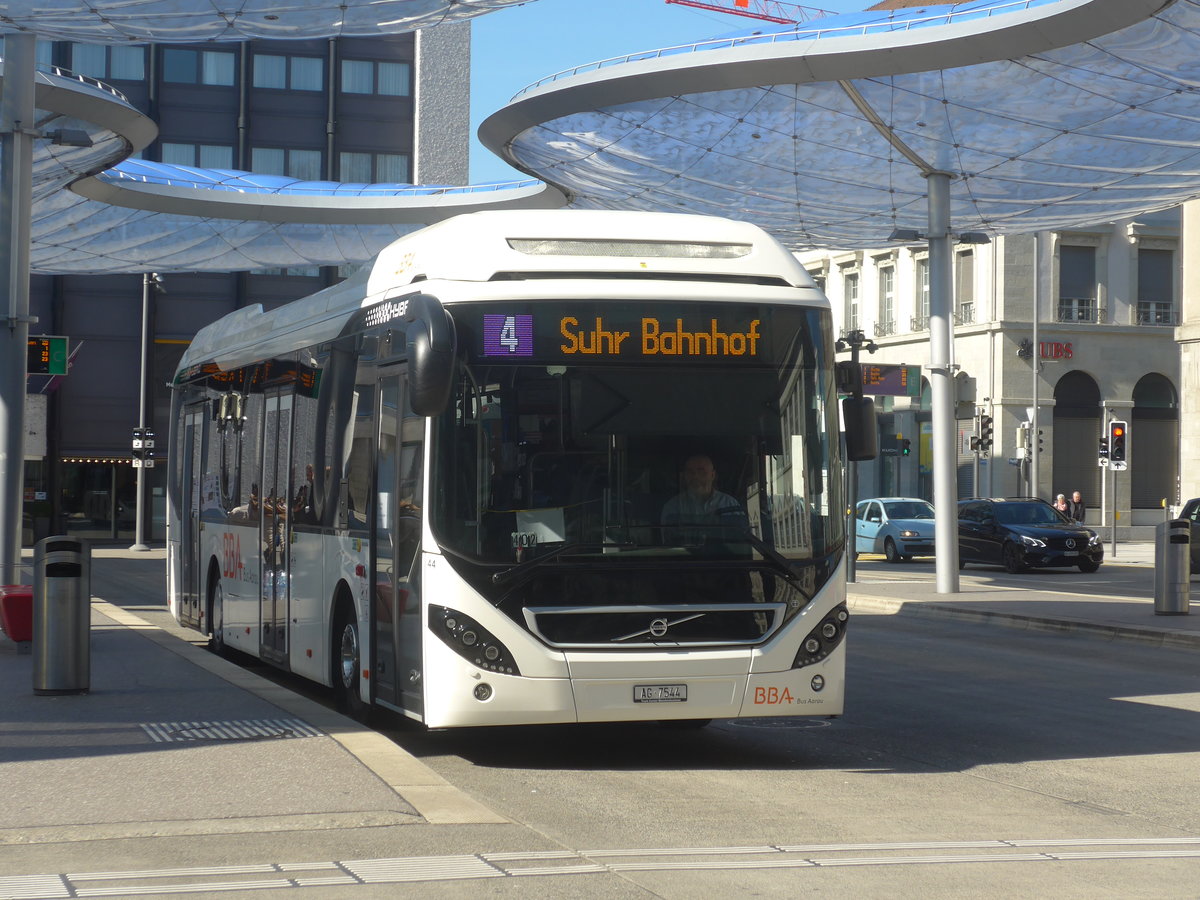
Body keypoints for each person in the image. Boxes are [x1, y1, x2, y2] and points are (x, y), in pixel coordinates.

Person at [661, 453, 746, 543]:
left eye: (701, 471)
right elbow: (668, 543)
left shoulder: (730, 504)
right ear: (684, 476)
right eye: (690, 472)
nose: (695, 477)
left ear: (713, 475)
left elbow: (740, 540)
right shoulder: (672, 507)